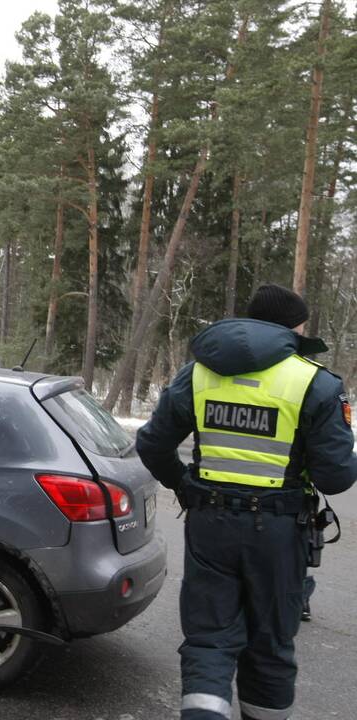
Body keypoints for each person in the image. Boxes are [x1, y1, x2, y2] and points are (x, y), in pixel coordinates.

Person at [136, 284, 356, 720]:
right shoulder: (314, 382)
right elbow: (336, 476)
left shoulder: (197, 373)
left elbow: (153, 444)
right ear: (295, 328)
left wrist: (185, 485)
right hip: (278, 532)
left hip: (208, 523)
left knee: (208, 641)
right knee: (271, 644)